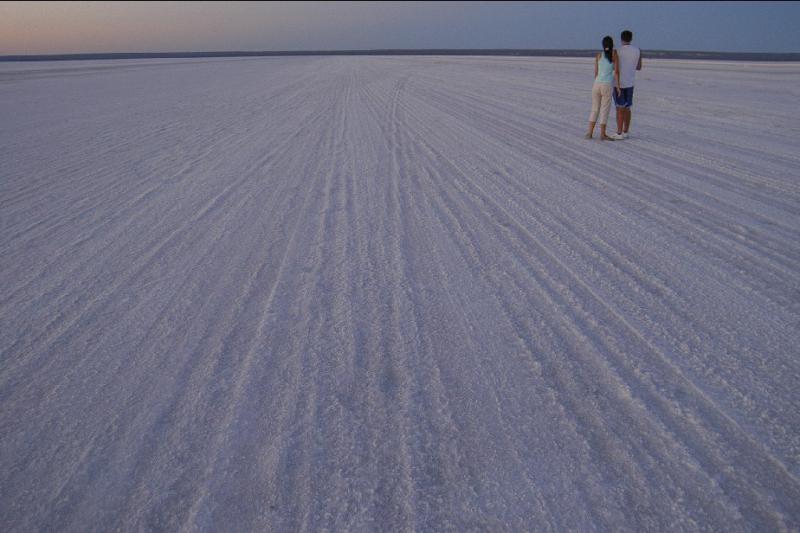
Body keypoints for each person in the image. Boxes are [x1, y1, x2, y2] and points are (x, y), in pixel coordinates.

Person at [586, 36, 621, 141]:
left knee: (595, 108)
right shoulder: (614, 54)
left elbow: (596, 72)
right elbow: (617, 72)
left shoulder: (598, 55)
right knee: (604, 109)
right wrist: (618, 87)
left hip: (596, 84)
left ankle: (589, 133)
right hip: (607, 84)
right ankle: (602, 134)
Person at [612, 30, 642, 139]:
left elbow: (613, 65)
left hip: (618, 83)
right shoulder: (637, 50)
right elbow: (639, 67)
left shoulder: (617, 51)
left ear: (621, 39)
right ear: (631, 38)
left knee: (619, 108)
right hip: (630, 82)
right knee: (628, 108)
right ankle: (626, 131)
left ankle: (619, 132)